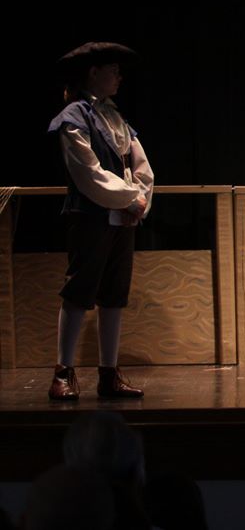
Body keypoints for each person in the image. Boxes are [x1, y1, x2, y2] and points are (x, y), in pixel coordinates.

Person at [47, 42, 154, 401]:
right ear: (93, 73)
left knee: (114, 294)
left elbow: (141, 166)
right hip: (91, 215)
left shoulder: (115, 117)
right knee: (79, 291)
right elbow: (87, 172)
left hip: (122, 218)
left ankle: (109, 373)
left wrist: (138, 201)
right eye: (113, 70)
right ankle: (63, 372)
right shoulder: (75, 116)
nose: (119, 77)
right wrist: (130, 198)